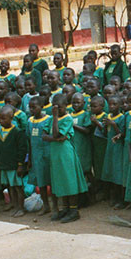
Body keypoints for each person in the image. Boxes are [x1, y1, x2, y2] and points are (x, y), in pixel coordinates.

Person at [42, 94, 88, 223]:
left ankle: (74, 210)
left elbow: (56, 134)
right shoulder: (51, 119)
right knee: (60, 181)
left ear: (66, 106)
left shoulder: (67, 119)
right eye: (55, 108)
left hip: (65, 153)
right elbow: (44, 135)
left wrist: (56, 119)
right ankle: (65, 208)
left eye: (60, 108)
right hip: (56, 153)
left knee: (69, 181)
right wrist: (55, 138)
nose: (57, 111)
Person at [0, 105, 27, 218]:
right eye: (0, 119)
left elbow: (22, 150)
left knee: (18, 187)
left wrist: (20, 164)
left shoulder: (17, 132)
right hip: (4, 164)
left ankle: (21, 208)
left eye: (4, 118)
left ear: (11, 118)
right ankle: (15, 205)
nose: (1, 121)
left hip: (14, 165)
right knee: (10, 187)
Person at [27, 96, 54, 217]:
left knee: (51, 181)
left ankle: (55, 205)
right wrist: (30, 158)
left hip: (48, 154)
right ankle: (46, 206)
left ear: (42, 107)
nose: (32, 110)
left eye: (34, 107)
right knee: (41, 182)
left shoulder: (49, 119)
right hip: (36, 155)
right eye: (30, 107)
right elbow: (29, 141)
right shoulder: (30, 121)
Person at [101, 95, 125, 207]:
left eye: (114, 104)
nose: (111, 106)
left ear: (120, 106)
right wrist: (105, 126)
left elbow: (121, 134)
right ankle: (113, 197)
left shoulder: (121, 117)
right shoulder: (108, 116)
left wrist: (114, 124)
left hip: (118, 149)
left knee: (118, 174)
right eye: (110, 104)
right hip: (109, 148)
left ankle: (121, 199)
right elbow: (105, 133)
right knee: (110, 172)